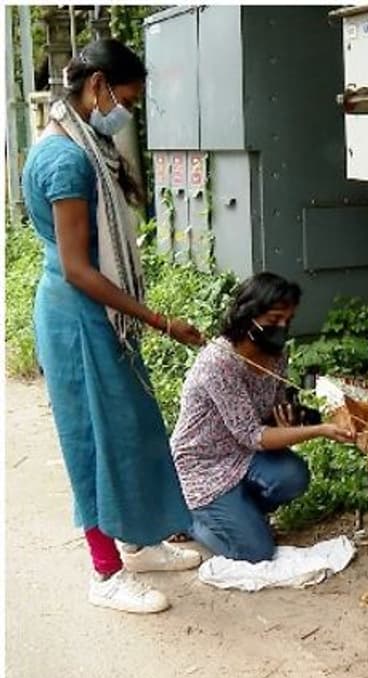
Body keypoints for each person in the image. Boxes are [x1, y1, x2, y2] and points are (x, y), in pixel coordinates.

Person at [22, 39, 207, 615]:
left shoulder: (83, 142)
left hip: (101, 314)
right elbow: (78, 268)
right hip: (78, 316)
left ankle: (139, 542)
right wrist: (160, 320)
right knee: (93, 442)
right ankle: (105, 572)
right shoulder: (67, 159)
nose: (127, 110)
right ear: (99, 85)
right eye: (126, 99)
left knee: (132, 429)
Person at [170, 272, 356, 562]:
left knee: (292, 476)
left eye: (287, 320)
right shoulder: (219, 363)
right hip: (204, 463)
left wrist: (286, 421)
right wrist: (321, 430)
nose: (282, 327)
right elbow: (253, 435)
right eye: (274, 319)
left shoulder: (276, 355)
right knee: (255, 552)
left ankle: (241, 515)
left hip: (242, 454)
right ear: (248, 315)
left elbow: (271, 408)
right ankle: (185, 517)